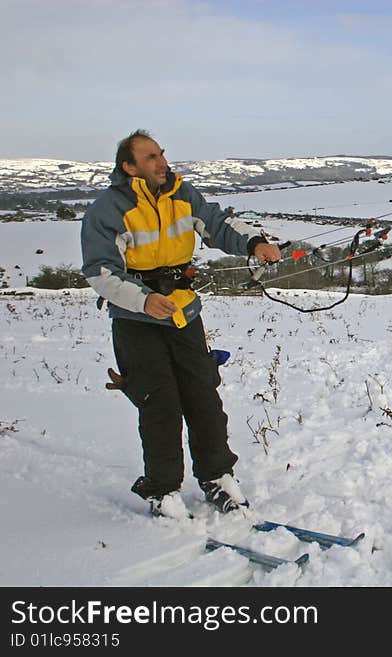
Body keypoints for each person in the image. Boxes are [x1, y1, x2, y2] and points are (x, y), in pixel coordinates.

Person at [81, 129, 281, 519]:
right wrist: (143, 299)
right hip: (135, 319)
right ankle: (162, 489)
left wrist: (255, 243)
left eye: (162, 154)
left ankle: (217, 478)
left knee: (204, 396)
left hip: (183, 312)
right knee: (159, 403)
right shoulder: (108, 210)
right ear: (129, 166)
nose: (162, 162)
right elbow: (100, 271)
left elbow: (218, 225)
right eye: (151, 157)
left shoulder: (182, 196)